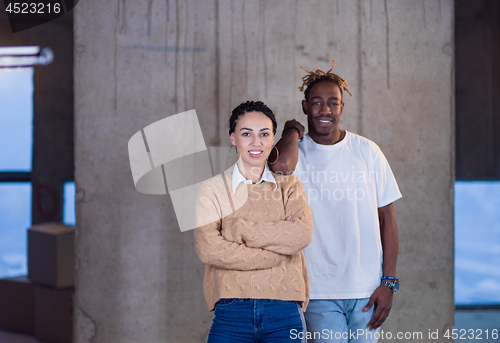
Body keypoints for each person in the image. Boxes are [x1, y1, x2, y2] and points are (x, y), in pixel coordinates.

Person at [269, 61, 402, 343]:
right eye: (316, 102)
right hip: (318, 292)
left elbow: (387, 218)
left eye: (333, 102)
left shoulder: (367, 151)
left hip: (366, 290)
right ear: (305, 107)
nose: (325, 110)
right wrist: (290, 131)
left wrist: (388, 282)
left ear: (342, 107)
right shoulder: (295, 153)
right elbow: (279, 165)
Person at [194, 100, 313, 343]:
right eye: (246, 134)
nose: (256, 142)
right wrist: (274, 254)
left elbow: (300, 234)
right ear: (233, 139)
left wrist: (238, 229)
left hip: (284, 311)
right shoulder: (213, 190)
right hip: (231, 313)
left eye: (264, 134)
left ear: (272, 140)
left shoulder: (290, 186)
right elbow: (209, 248)